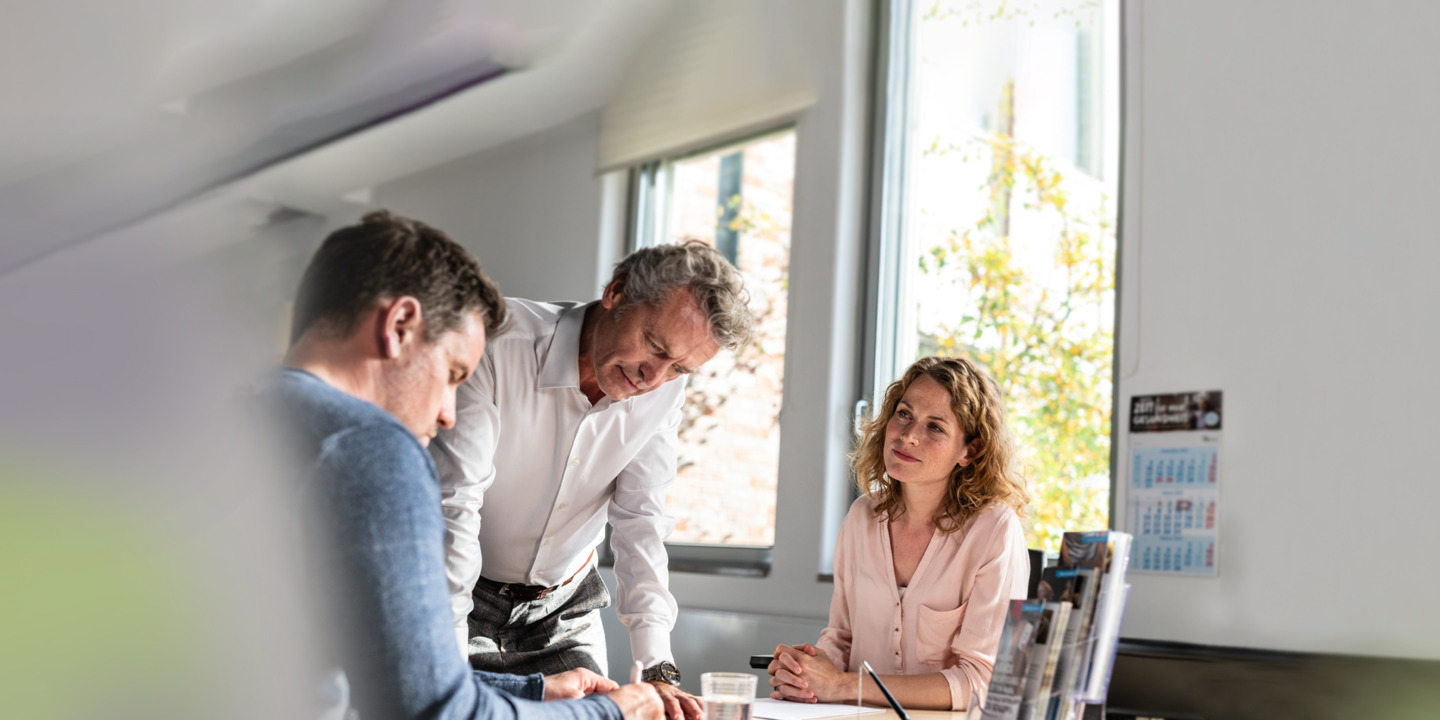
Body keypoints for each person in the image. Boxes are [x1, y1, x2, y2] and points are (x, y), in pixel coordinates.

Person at [257, 210, 663, 720]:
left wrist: (533, 690)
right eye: (452, 373)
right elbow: (433, 712)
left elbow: (354, 669)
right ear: (399, 325)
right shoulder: (370, 446)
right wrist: (611, 714)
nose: (449, 413)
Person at [431, 240, 754, 720]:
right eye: (655, 345)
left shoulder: (665, 390)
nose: (653, 377)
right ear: (616, 292)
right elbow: (454, 505)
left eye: (679, 368)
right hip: (463, 595)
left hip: (562, 607)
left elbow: (641, 519)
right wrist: (447, 656)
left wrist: (655, 666)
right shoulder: (498, 343)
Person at [766, 356, 1032, 711]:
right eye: (904, 414)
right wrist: (806, 673)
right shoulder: (861, 517)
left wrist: (842, 685)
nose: (907, 436)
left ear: (970, 450)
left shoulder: (994, 530)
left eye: (935, 427)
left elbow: (981, 683)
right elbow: (841, 639)